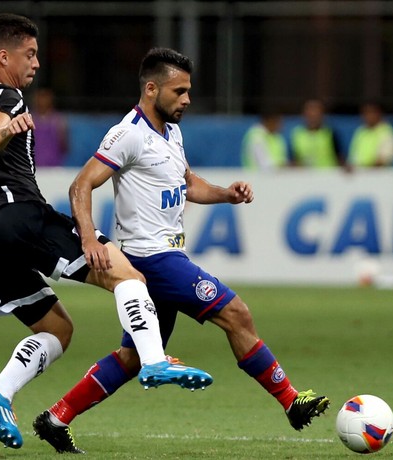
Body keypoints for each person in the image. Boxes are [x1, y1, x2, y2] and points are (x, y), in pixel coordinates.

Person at [32, 48, 330, 454]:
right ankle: (291, 400)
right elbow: (81, 185)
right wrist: (88, 238)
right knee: (236, 313)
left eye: (189, 91)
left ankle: (56, 417)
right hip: (151, 261)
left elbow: (187, 182)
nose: (187, 99)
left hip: (166, 257)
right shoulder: (128, 134)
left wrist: (226, 194)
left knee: (132, 358)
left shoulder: (171, 130)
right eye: (180, 91)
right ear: (151, 88)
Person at [0, 14, 211, 450]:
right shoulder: (7, 98)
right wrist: (4, 130)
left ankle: (0, 391)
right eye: (29, 54)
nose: (36, 63)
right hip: (19, 217)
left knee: (56, 329)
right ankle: (154, 361)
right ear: (3, 55)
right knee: (127, 276)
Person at [291, 99, 344, 167]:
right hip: (303, 175)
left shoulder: (330, 133)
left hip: (327, 174)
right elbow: (294, 159)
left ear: (322, 115)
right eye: (310, 116)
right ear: (304, 115)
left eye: (316, 115)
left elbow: (339, 158)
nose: (313, 119)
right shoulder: (296, 133)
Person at [347, 102, 393, 167]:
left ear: (379, 113)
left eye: (371, 112)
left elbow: (384, 159)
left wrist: (365, 169)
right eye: (365, 113)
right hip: (360, 175)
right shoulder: (360, 131)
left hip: (380, 175)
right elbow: (353, 158)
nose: (367, 116)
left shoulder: (387, 132)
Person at [30, 87, 69, 166]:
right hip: (34, 166)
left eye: (45, 97)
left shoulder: (58, 120)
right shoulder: (29, 119)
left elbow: (64, 145)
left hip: (53, 167)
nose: (42, 101)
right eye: (40, 97)